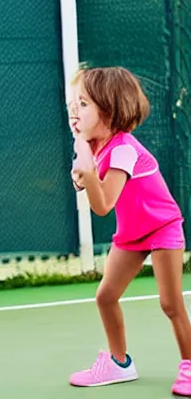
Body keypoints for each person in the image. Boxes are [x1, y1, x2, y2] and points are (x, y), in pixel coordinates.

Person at [68, 66, 191, 396]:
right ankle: (119, 363)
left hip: (162, 227)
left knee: (170, 303)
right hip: (133, 233)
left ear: (108, 110)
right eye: (73, 104)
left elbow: (104, 204)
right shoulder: (95, 146)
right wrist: (84, 173)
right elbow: (94, 193)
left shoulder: (123, 149)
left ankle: (190, 365)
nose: (73, 111)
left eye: (83, 104)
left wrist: (88, 175)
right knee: (106, 297)